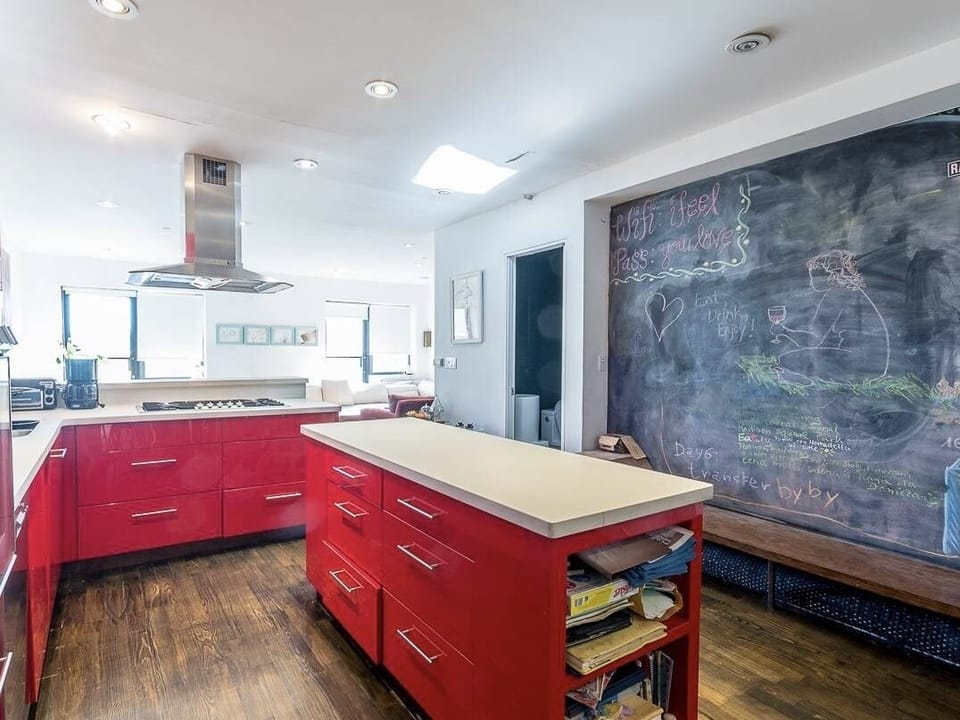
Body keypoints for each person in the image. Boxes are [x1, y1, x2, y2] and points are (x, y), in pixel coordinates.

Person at [770, 249, 890, 386]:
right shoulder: (855, 291)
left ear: (829, 274)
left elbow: (814, 339)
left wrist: (784, 331)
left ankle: (802, 380)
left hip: (853, 366)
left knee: (786, 359)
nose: (810, 282)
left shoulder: (835, 296)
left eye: (813, 276)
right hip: (876, 367)